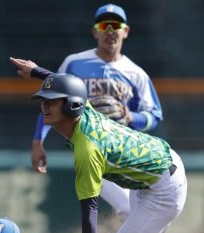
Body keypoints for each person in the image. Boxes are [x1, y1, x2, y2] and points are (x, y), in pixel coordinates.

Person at [16, 72, 191, 233]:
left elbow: (89, 209)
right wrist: (35, 71)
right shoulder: (85, 110)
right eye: (43, 100)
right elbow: (70, 85)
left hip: (165, 187)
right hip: (153, 170)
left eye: (52, 101)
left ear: (72, 105)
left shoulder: (87, 149)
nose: (44, 106)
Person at [10, 3, 163, 221]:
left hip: (127, 151)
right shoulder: (74, 63)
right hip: (94, 150)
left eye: (115, 24)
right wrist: (38, 142)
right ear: (95, 31)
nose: (110, 30)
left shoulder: (136, 74)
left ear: (125, 31)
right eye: (104, 25)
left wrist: (132, 117)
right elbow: (51, 100)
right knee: (127, 209)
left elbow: (154, 115)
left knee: (148, 211)